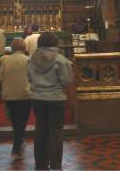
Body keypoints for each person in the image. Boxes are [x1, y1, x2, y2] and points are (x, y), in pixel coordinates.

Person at [27, 32, 74, 171]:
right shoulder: (60, 59)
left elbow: (29, 78)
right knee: (55, 132)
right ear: (54, 42)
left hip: (38, 99)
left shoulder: (31, 59)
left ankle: (40, 165)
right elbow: (67, 80)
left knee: (40, 130)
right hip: (55, 99)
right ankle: (56, 165)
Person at [0, 37, 31, 160]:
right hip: (25, 94)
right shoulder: (28, 60)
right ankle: (16, 148)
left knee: (15, 120)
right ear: (24, 48)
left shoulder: (5, 60)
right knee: (21, 121)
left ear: (12, 47)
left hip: (9, 95)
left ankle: (19, 141)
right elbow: (32, 78)